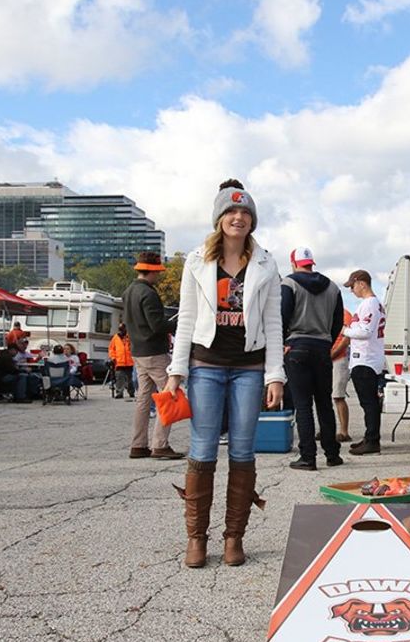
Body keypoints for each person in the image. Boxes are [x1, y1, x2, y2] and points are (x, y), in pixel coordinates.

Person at [164, 178, 285, 569]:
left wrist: (275, 375)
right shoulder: (198, 261)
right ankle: (196, 539)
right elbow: (186, 319)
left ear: (253, 220)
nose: (238, 217)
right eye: (231, 212)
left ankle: (234, 538)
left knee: (244, 450)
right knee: (201, 449)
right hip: (206, 366)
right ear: (219, 218)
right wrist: (175, 372)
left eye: (245, 212)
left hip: (249, 368)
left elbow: (274, 322)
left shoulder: (266, 263)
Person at [280, 246, 345, 470]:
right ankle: (332, 454)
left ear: (293, 264)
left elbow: (282, 316)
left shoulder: (289, 284)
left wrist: (283, 343)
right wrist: (326, 340)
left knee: (303, 405)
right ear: (312, 264)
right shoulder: (333, 287)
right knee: (324, 403)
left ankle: (308, 456)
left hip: (297, 346)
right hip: (322, 347)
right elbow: (338, 323)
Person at [123, 251, 183, 460]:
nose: (158, 276)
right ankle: (160, 444)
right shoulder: (148, 293)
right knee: (169, 395)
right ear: (152, 271)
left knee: (143, 398)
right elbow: (157, 325)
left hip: (138, 351)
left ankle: (138, 445)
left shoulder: (129, 291)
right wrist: (179, 322)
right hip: (155, 352)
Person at [342, 269, 386, 455]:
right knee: (369, 403)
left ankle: (373, 441)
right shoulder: (373, 304)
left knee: (369, 403)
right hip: (368, 358)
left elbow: (365, 332)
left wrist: (345, 331)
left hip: (365, 360)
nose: (352, 290)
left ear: (362, 283)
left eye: (352, 286)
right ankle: (369, 437)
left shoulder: (369, 304)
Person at [330, 308, 354, 444]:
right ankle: (326, 429)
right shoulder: (324, 311)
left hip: (338, 359)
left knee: (338, 396)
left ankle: (344, 431)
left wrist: (333, 354)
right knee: (323, 398)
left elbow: (346, 339)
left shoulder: (344, 314)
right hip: (324, 359)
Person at [108, 323, 135, 399]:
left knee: (130, 380)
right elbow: (111, 349)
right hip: (119, 362)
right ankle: (119, 393)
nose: (121, 331)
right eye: (120, 329)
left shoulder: (130, 337)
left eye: (122, 329)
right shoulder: (115, 338)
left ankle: (131, 392)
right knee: (119, 378)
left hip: (129, 362)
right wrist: (113, 358)